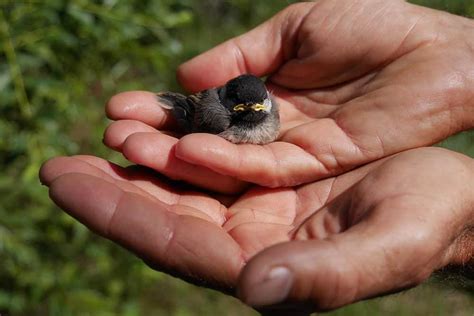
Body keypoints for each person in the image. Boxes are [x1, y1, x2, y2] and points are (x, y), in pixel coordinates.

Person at [40, 0, 474, 314]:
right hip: (197, 122)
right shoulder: (214, 115)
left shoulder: (267, 108)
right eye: (245, 110)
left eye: (261, 106)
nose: (256, 114)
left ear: (266, 100)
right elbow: (202, 112)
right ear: (232, 104)